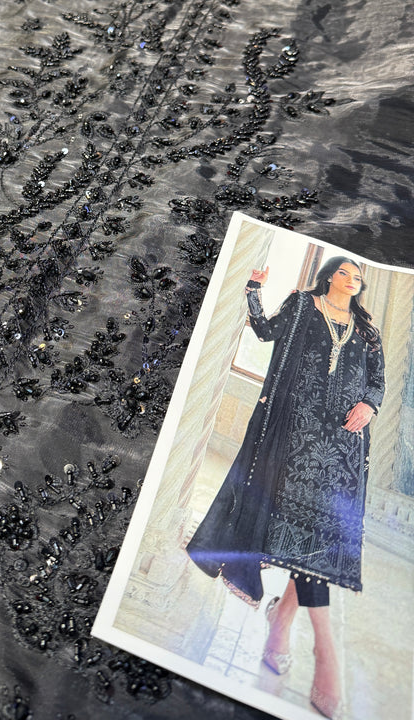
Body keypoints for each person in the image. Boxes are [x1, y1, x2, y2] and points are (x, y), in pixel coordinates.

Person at [185, 257, 386, 720]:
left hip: (341, 443)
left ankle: (283, 624)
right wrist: (254, 290)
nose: (352, 280)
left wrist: (371, 406)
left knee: (319, 536)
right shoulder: (302, 306)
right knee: (305, 537)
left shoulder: (367, 331)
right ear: (329, 275)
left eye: (358, 277)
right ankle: (324, 650)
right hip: (292, 436)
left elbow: (377, 382)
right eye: (345, 272)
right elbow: (263, 330)